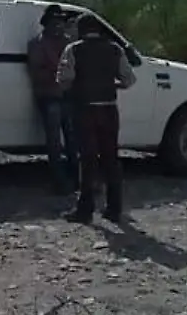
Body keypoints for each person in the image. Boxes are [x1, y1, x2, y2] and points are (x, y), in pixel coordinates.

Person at [55, 15, 136, 224]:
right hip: (109, 109)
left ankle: (85, 209)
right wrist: (112, 85)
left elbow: (64, 80)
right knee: (111, 158)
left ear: (81, 30)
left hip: (84, 109)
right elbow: (129, 79)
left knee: (88, 159)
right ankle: (114, 208)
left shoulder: (73, 50)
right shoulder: (115, 49)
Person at [26, 5, 78, 194]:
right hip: (50, 97)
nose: (58, 26)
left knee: (72, 141)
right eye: (55, 22)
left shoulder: (68, 43)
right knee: (55, 142)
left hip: (66, 96)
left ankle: (76, 178)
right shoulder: (37, 44)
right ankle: (60, 181)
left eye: (60, 22)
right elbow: (37, 72)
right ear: (46, 24)